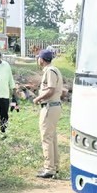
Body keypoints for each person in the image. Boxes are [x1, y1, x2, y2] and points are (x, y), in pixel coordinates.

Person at [32, 49, 63, 179]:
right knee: (52, 137)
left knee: (46, 138)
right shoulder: (54, 70)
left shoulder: (50, 71)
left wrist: (37, 99)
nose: (37, 60)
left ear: (42, 59)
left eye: (38, 57)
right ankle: (54, 166)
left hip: (50, 107)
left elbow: (50, 90)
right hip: (54, 106)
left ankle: (49, 168)